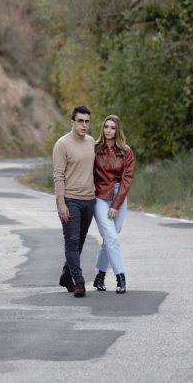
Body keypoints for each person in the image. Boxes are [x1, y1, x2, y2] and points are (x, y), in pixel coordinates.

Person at [53, 105, 96, 298]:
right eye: (80, 121)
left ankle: (65, 275)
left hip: (89, 200)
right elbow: (58, 175)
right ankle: (79, 282)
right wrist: (61, 203)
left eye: (87, 121)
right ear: (72, 122)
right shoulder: (62, 144)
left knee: (79, 242)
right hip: (70, 200)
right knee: (71, 241)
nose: (84, 125)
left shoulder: (91, 142)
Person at [92, 114, 135, 294]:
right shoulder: (94, 148)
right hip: (100, 195)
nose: (108, 130)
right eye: (106, 127)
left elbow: (127, 179)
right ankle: (121, 277)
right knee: (112, 238)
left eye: (112, 127)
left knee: (110, 239)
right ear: (102, 129)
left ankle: (100, 276)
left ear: (117, 130)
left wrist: (116, 204)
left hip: (119, 196)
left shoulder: (126, 151)